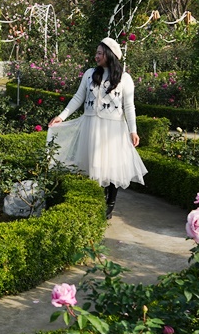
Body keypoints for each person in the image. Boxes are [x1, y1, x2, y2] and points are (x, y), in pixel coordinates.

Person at [47, 37, 147, 219]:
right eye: (96, 53)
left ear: (110, 55)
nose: (96, 56)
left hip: (114, 129)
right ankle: (98, 200)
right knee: (94, 164)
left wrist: (133, 130)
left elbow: (129, 106)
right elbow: (78, 98)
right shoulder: (90, 74)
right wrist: (61, 117)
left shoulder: (125, 78)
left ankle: (111, 202)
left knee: (112, 166)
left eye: (100, 53)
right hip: (91, 125)